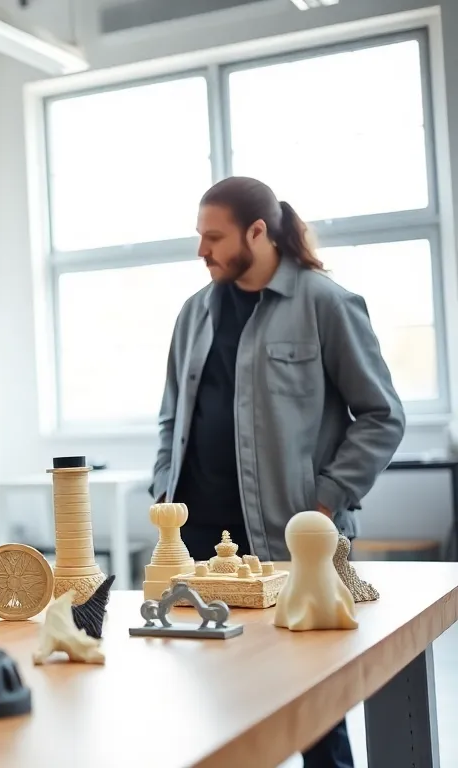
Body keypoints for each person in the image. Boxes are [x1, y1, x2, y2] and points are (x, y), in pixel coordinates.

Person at [151, 175, 404, 768]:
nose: (201, 250)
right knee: (214, 704)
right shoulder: (193, 313)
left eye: (214, 237)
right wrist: (162, 488)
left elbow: (382, 416)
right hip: (199, 546)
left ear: (258, 232)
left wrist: (323, 503)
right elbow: (171, 417)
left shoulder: (326, 303)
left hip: (294, 543)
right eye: (199, 236)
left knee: (313, 709)